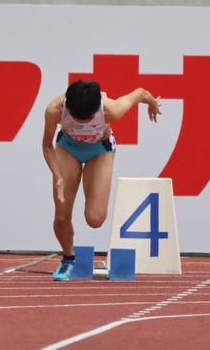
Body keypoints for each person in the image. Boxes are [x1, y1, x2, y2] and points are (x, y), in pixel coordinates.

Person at [42, 80, 161, 281]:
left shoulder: (112, 109)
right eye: (76, 118)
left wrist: (152, 104)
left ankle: (73, 250)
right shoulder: (55, 109)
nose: (82, 123)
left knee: (95, 219)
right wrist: (57, 175)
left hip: (100, 150)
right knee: (62, 214)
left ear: (97, 109)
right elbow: (46, 145)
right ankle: (68, 258)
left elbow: (140, 92)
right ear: (68, 108)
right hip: (68, 148)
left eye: (87, 119)